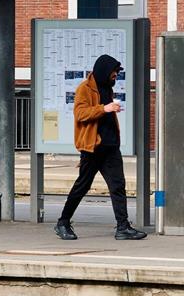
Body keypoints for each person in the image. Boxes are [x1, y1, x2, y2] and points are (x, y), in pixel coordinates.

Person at [54, 54, 147, 241]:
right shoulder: (84, 89)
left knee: (118, 186)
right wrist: (104, 108)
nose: (116, 75)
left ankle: (123, 227)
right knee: (82, 185)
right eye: (114, 72)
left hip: (111, 147)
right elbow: (80, 114)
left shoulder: (107, 88)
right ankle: (63, 222)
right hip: (92, 147)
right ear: (104, 71)